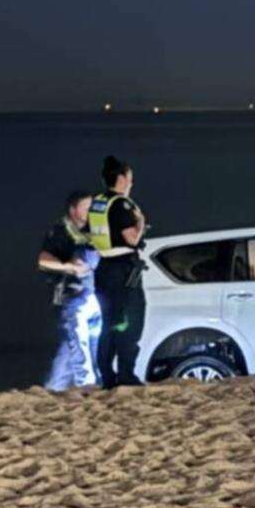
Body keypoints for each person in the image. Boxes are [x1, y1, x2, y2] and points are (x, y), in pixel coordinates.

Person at [89, 156, 148, 388]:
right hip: (123, 271)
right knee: (131, 321)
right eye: (130, 178)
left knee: (108, 323)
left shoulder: (98, 202)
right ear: (122, 178)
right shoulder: (122, 205)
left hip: (103, 269)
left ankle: (107, 376)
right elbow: (131, 238)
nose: (132, 183)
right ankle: (126, 374)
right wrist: (140, 223)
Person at [38, 191, 103, 390]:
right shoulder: (60, 231)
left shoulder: (92, 230)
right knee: (78, 342)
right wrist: (70, 267)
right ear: (73, 209)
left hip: (94, 295)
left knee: (78, 346)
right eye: (86, 207)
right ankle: (86, 385)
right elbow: (43, 259)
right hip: (73, 296)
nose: (90, 211)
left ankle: (54, 387)